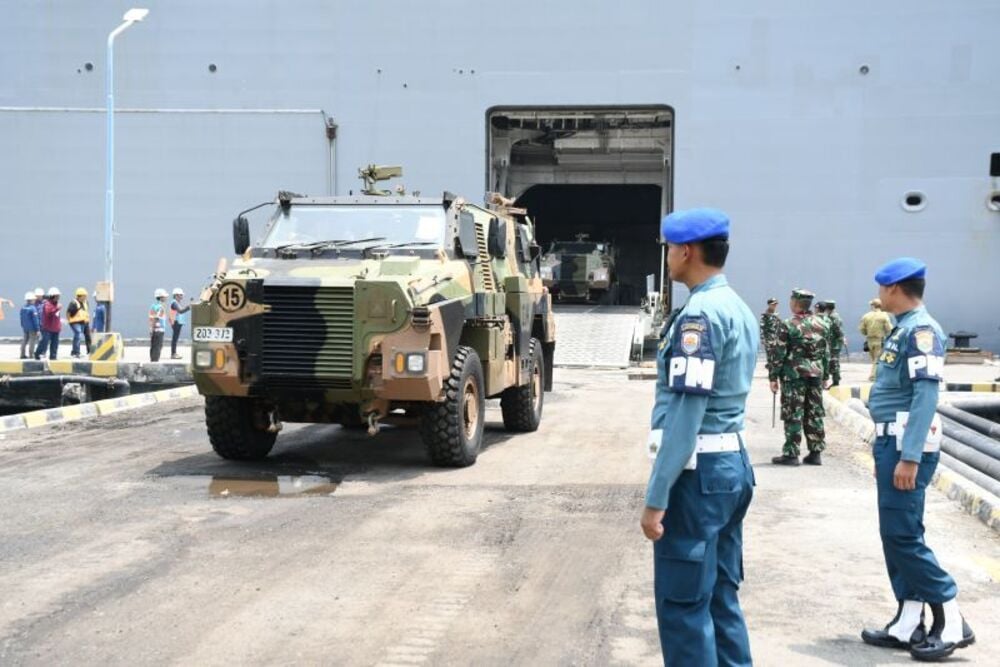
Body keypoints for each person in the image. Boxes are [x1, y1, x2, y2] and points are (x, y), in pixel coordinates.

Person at [640, 208, 757, 666]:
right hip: (730, 468)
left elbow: (687, 415)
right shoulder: (737, 307)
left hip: (698, 477)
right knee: (720, 598)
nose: (668, 257)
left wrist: (656, 496)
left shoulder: (700, 317)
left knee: (684, 606)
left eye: (670, 249)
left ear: (686, 251)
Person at [860, 257, 974, 661]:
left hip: (908, 446)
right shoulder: (902, 329)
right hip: (892, 443)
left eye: (881, 288)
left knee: (904, 535)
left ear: (893, 289)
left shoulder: (921, 331)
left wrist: (908, 457)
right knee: (895, 532)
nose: (877, 295)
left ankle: (952, 617)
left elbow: (925, 396)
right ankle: (909, 619)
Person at [770, 289, 830, 466]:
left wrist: (773, 376)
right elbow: (825, 352)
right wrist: (826, 374)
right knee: (814, 412)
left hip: (794, 374)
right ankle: (815, 452)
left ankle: (791, 453)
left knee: (793, 412)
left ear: (795, 303)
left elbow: (778, 352)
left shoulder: (788, 324)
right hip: (816, 373)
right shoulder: (822, 323)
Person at [860, 298, 894, 381]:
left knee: (874, 359)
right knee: (877, 360)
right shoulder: (884, 316)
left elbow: (862, 329)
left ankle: (874, 375)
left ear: (873, 306)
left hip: (869, 341)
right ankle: (874, 376)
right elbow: (889, 329)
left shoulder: (866, 316)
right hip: (880, 340)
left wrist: (867, 333)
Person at [817, 300, 845, 387]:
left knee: (834, 362)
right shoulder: (833, 316)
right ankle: (834, 380)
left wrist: (841, 338)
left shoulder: (833, 317)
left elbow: (837, 330)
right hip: (834, 343)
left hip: (834, 344)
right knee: (833, 362)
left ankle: (836, 381)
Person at [34, 287, 63, 360]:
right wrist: (57, 308)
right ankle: (38, 354)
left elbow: (57, 316)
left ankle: (53, 357)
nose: (58, 297)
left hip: (55, 328)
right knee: (44, 342)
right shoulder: (47, 304)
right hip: (47, 328)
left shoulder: (57, 304)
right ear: (52, 296)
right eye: (57, 296)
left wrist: (59, 324)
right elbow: (48, 313)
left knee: (55, 344)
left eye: (58, 296)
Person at [66, 287, 91, 358]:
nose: (85, 297)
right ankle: (75, 352)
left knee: (88, 336)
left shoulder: (86, 302)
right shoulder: (73, 303)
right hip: (75, 322)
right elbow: (68, 313)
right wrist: (69, 321)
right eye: (84, 296)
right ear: (79, 296)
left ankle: (89, 351)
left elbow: (85, 312)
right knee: (78, 334)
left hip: (84, 322)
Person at [168, 288, 191, 360]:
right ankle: (173, 353)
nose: (182, 296)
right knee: (175, 338)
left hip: (178, 322)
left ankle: (174, 353)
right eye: (181, 295)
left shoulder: (176, 303)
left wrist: (188, 307)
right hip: (176, 322)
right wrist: (189, 307)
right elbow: (180, 311)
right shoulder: (174, 303)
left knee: (175, 338)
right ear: (176, 295)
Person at [759, 297, 781, 372]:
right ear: (769, 305)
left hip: (776, 337)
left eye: (776, 304)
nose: (775, 305)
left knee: (776, 354)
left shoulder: (777, 314)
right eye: (773, 304)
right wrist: (762, 339)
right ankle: (771, 370)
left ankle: (773, 369)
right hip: (768, 338)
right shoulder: (765, 315)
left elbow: (779, 325)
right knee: (770, 354)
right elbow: (762, 327)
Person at [149, 288, 169, 362]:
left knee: (153, 346)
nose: (166, 298)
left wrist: (151, 329)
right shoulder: (160, 307)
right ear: (161, 297)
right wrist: (152, 329)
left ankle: (152, 360)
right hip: (159, 330)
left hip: (154, 330)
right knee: (158, 347)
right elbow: (156, 318)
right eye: (165, 296)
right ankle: (154, 362)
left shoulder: (153, 305)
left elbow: (151, 318)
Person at [19, 292, 40, 359]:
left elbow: (21, 318)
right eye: (34, 299)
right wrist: (37, 329)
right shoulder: (33, 308)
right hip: (32, 328)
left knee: (24, 340)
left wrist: (23, 325)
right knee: (32, 341)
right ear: (31, 300)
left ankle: (22, 354)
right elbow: (35, 320)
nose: (35, 301)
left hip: (25, 327)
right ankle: (31, 355)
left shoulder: (23, 308)